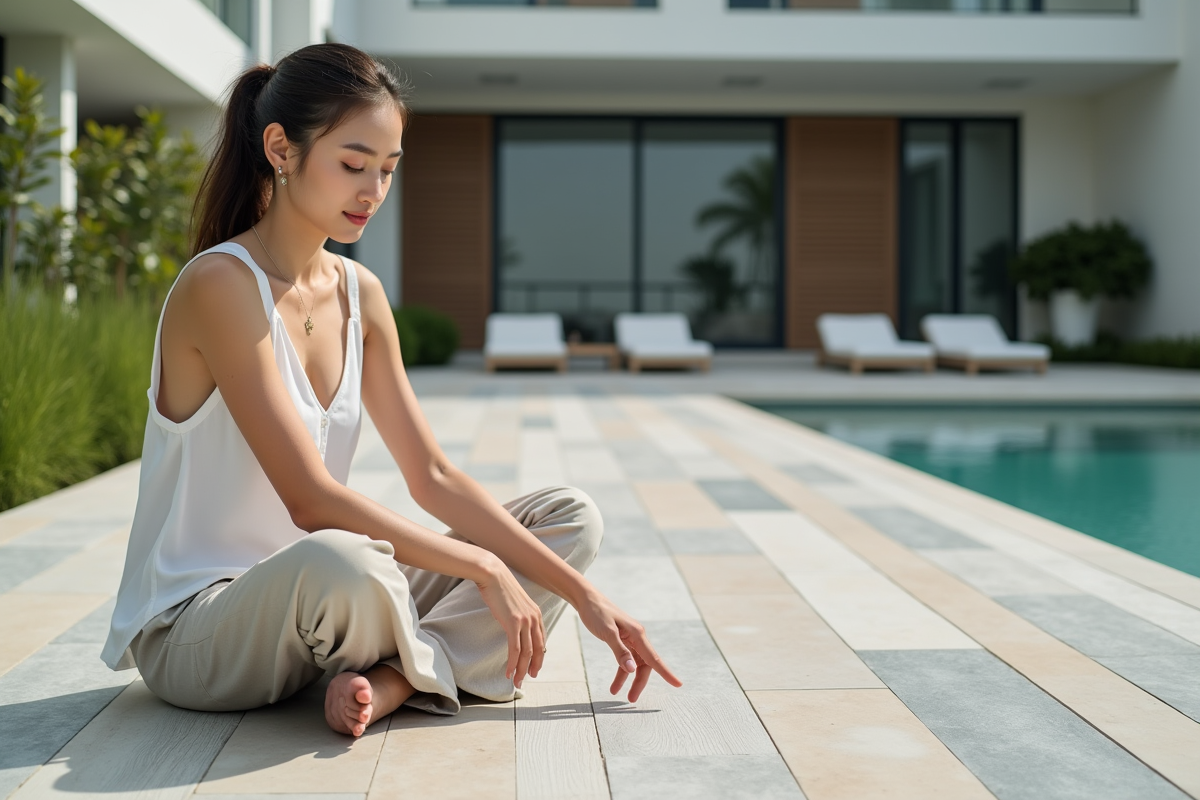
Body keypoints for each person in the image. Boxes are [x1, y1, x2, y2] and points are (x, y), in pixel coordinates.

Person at [101, 42, 681, 738]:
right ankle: (416, 669)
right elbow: (310, 500)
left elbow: (433, 475)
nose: (372, 191)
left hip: (329, 602)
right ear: (281, 149)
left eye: (387, 169)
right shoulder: (221, 285)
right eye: (353, 165)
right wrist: (484, 569)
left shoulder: (360, 294)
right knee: (347, 557)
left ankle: (391, 681)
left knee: (569, 517)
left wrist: (585, 597)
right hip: (199, 629)